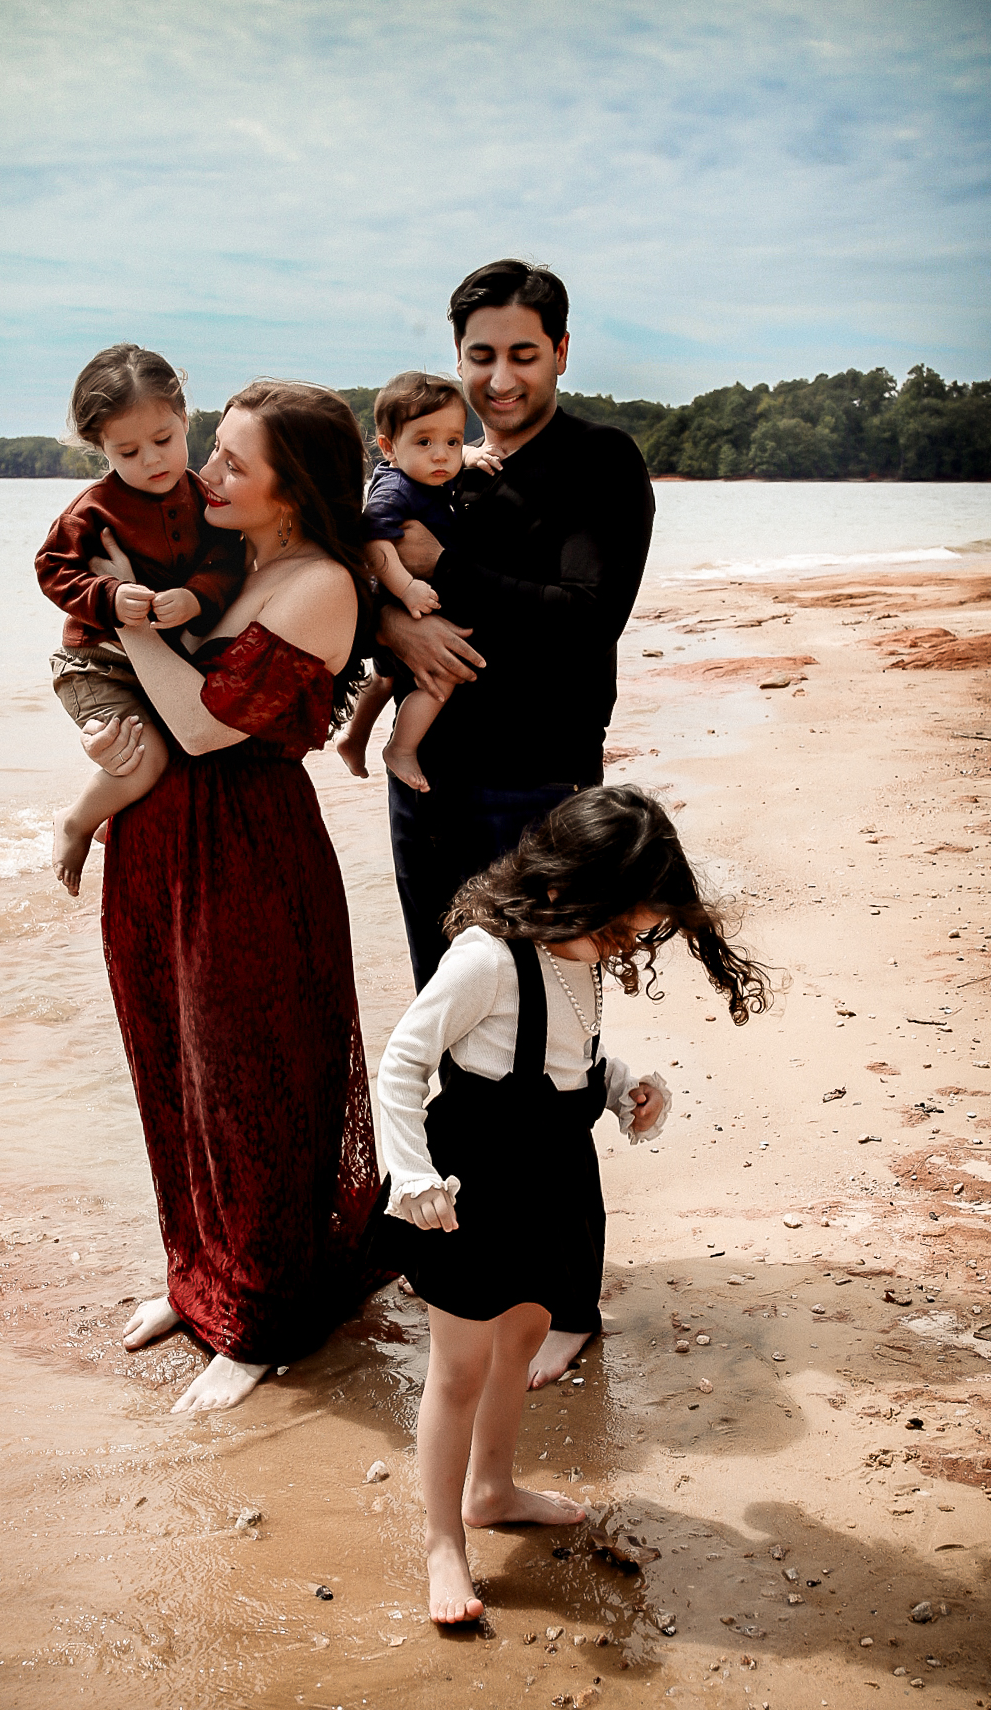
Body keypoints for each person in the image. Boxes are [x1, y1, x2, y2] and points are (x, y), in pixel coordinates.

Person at [375, 786, 770, 1623]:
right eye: (616, 929)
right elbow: (401, 1064)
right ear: (559, 890)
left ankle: (491, 1487)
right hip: (467, 1186)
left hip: (550, 1176)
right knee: (459, 1367)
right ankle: (445, 1544)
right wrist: (408, 1177)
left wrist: (625, 1088)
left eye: (635, 935)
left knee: (523, 1332)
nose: (624, 946)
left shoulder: (577, 958)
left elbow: (570, 1058)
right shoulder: (486, 959)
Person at [76, 380, 382, 1413]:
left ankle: (256, 1321)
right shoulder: (222, 557)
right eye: (212, 455)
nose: (205, 475)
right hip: (157, 840)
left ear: (289, 492)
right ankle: (194, 1278)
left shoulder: (321, 583)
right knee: (171, 1066)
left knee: (250, 1080)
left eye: (232, 464)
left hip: (250, 850)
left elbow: (206, 728)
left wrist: (133, 621)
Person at [376, 258, 656, 1387]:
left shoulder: (600, 464)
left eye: (522, 354)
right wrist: (397, 630)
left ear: (563, 352)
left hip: (540, 793)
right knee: (457, 1036)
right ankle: (473, 1264)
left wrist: (452, 573)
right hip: (431, 785)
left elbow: (586, 620)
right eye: (479, 355)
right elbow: (364, 575)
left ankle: (566, 1299)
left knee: (553, 1051)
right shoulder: (435, 459)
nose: (498, 378)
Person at [38, 343, 245, 896]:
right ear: (100, 447)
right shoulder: (93, 509)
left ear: (184, 420)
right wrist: (107, 595)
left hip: (161, 661)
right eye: (127, 452)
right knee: (145, 756)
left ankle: (116, 814)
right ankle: (77, 820)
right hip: (97, 664)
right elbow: (52, 569)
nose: (152, 461)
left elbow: (225, 563)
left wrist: (197, 597)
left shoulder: (204, 497)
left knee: (181, 748)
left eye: (163, 441)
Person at [336, 371, 498, 790]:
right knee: (442, 674)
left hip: (403, 604)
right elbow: (373, 540)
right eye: (424, 442)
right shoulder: (394, 490)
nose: (441, 456)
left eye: (454, 441)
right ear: (389, 447)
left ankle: (353, 737)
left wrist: (472, 457)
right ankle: (401, 748)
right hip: (400, 597)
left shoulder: (426, 473)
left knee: (387, 677)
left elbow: (443, 458)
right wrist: (405, 588)